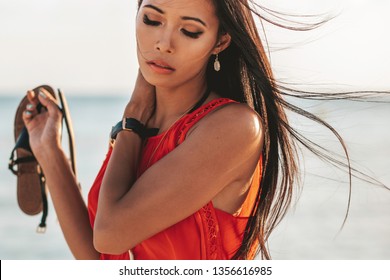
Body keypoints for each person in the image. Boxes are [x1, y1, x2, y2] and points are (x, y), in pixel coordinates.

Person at [20, 0, 359, 260]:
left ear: (220, 40)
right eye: (152, 20)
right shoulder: (138, 130)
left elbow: (109, 233)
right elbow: (100, 257)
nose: (163, 43)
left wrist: (133, 118)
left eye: (190, 31)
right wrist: (49, 149)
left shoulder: (234, 128)